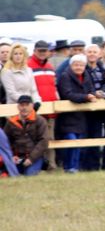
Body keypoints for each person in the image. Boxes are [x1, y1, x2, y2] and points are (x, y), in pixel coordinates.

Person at [56, 54, 96, 173]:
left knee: (78, 141)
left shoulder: (86, 76)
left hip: (81, 115)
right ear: (71, 65)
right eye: (76, 65)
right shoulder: (65, 76)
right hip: (67, 115)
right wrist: (86, 97)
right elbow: (67, 94)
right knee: (71, 139)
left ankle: (75, 166)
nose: (79, 67)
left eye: (81, 65)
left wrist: (94, 95)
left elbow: (91, 89)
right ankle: (68, 166)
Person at [27, 40, 59, 170]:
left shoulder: (50, 67)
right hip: (36, 109)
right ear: (34, 51)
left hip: (51, 109)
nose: (42, 53)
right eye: (40, 51)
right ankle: (36, 166)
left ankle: (51, 165)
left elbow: (54, 86)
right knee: (36, 140)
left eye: (44, 51)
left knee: (50, 138)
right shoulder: (29, 66)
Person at [3, 95, 48, 176]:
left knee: (29, 176)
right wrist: (12, 156)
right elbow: (5, 141)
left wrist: (31, 159)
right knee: (9, 175)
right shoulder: (11, 122)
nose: (24, 108)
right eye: (22, 105)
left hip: (34, 158)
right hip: (16, 158)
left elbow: (43, 141)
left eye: (27, 105)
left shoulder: (40, 121)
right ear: (18, 107)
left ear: (32, 106)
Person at [80, 44, 105, 171]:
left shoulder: (102, 69)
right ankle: (85, 166)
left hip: (99, 107)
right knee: (85, 136)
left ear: (99, 54)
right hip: (84, 107)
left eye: (94, 52)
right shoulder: (81, 68)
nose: (92, 54)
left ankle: (95, 166)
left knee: (96, 136)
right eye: (89, 52)